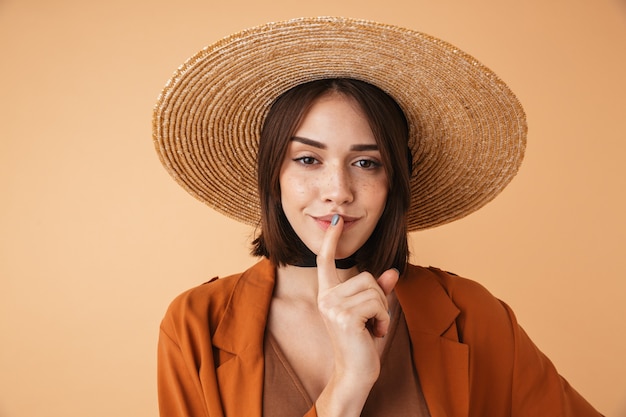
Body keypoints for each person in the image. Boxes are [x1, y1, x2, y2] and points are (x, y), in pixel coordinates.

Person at [152, 17, 603, 417]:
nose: (338, 192)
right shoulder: (195, 323)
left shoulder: (473, 314)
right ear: (275, 175)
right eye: (308, 160)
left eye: (366, 163)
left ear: (394, 184)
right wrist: (347, 386)